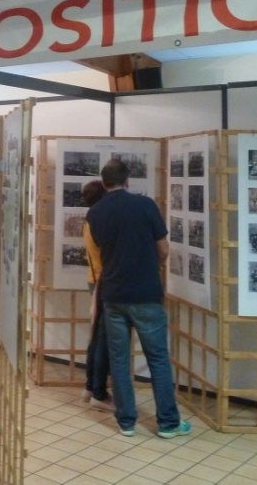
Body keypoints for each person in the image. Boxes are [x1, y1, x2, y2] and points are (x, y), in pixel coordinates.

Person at [85, 159, 191, 439]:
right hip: (145, 293)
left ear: (104, 182)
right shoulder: (145, 206)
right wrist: (153, 267)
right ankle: (168, 423)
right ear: (127, 181)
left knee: (119, 359)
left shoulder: (95, 214)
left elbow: (103, 250)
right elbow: (164, 248)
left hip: (113, 295)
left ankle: (126, 421)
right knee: (157, 358)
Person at [79, 179, 112, 410]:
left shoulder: (90, 219)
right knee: (102, 340)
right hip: (102, 282)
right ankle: (97, 390)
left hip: (96, 280)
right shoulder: (97, 219)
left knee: (96, 337)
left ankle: (90, 386)